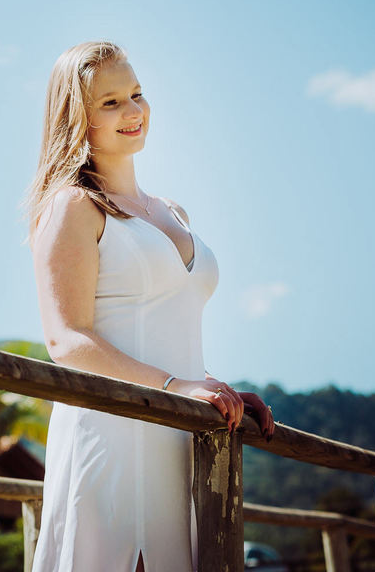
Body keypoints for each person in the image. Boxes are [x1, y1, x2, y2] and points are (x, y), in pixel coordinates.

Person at [23, 41, 275, 572]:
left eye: (136, 94)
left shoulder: (172, 211)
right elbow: (66, 340)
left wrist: (210, 383)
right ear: (78, 116)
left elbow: (158, 323)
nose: (133, 111)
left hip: (179, 435)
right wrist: (175, 387)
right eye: (110, 102)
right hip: (114, 434)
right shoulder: (74, 205)